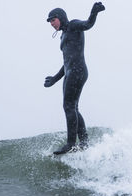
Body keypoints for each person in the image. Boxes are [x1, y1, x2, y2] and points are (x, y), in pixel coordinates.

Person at [44, 2, 105, 155]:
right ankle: (84, 141)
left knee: (68, 106)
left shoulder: (73, 25)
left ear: (61, 17)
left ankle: (71, 143)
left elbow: (88, 24)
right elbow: (66, 63)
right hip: (70, 71)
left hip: (78, 71)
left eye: (53, 20)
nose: (51, 23)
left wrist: (94, 12)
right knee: (73, 107)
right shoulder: (63, 35)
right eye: (50, 21)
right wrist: (54, 79)